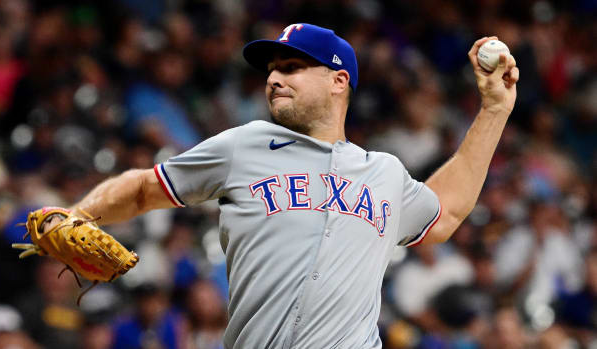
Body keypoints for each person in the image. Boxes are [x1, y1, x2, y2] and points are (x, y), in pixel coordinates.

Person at [42, 24, 519, 348]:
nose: (273, 78)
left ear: (338, 81)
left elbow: (447, 213)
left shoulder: (385, 172)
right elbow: (145, 187)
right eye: (271, 69)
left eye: (292, 68)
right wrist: (80, 214)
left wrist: (494, 110)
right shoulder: (243, 145)